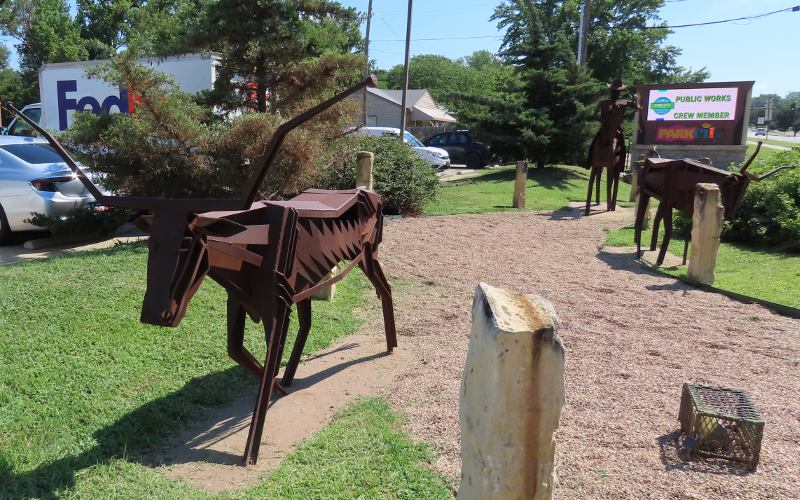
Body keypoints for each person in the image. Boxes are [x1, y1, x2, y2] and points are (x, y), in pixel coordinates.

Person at [585, 79, 640, 215]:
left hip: (610, 131)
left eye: (616, 91)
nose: (615, 93)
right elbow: (638, 107)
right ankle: (592, 162)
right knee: (597, 143)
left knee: (604, 144)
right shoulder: (613, 102)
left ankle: (612, 166)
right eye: (615, 91)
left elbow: (637, 107)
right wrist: (602, 118)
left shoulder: (613, 103)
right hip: (609, 130)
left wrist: (635, 101)